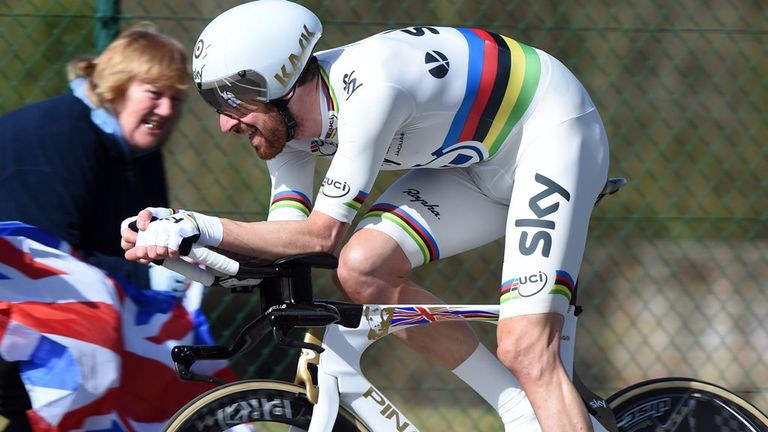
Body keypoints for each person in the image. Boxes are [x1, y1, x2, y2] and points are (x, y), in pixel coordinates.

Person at [121, 1, 610, 430]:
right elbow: (288, 240)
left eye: (233, 103)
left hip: (549, 134)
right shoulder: (283, 131)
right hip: (474, 163)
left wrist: (198, 223)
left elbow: (321, 235)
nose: (226, 123)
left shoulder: (374, 88)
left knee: (527, 349)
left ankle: (537, 389)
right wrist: (186, 246)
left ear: (280, 83)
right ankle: (516, 406)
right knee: (362, 270)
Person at [0, 22, 188, 431]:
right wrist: (147, 277)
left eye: (176, 98)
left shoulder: (138, 147)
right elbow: (49, 266)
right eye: (155, 94)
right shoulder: (57, 134)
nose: (167, 111)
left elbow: (140, 241)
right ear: (117, 87)